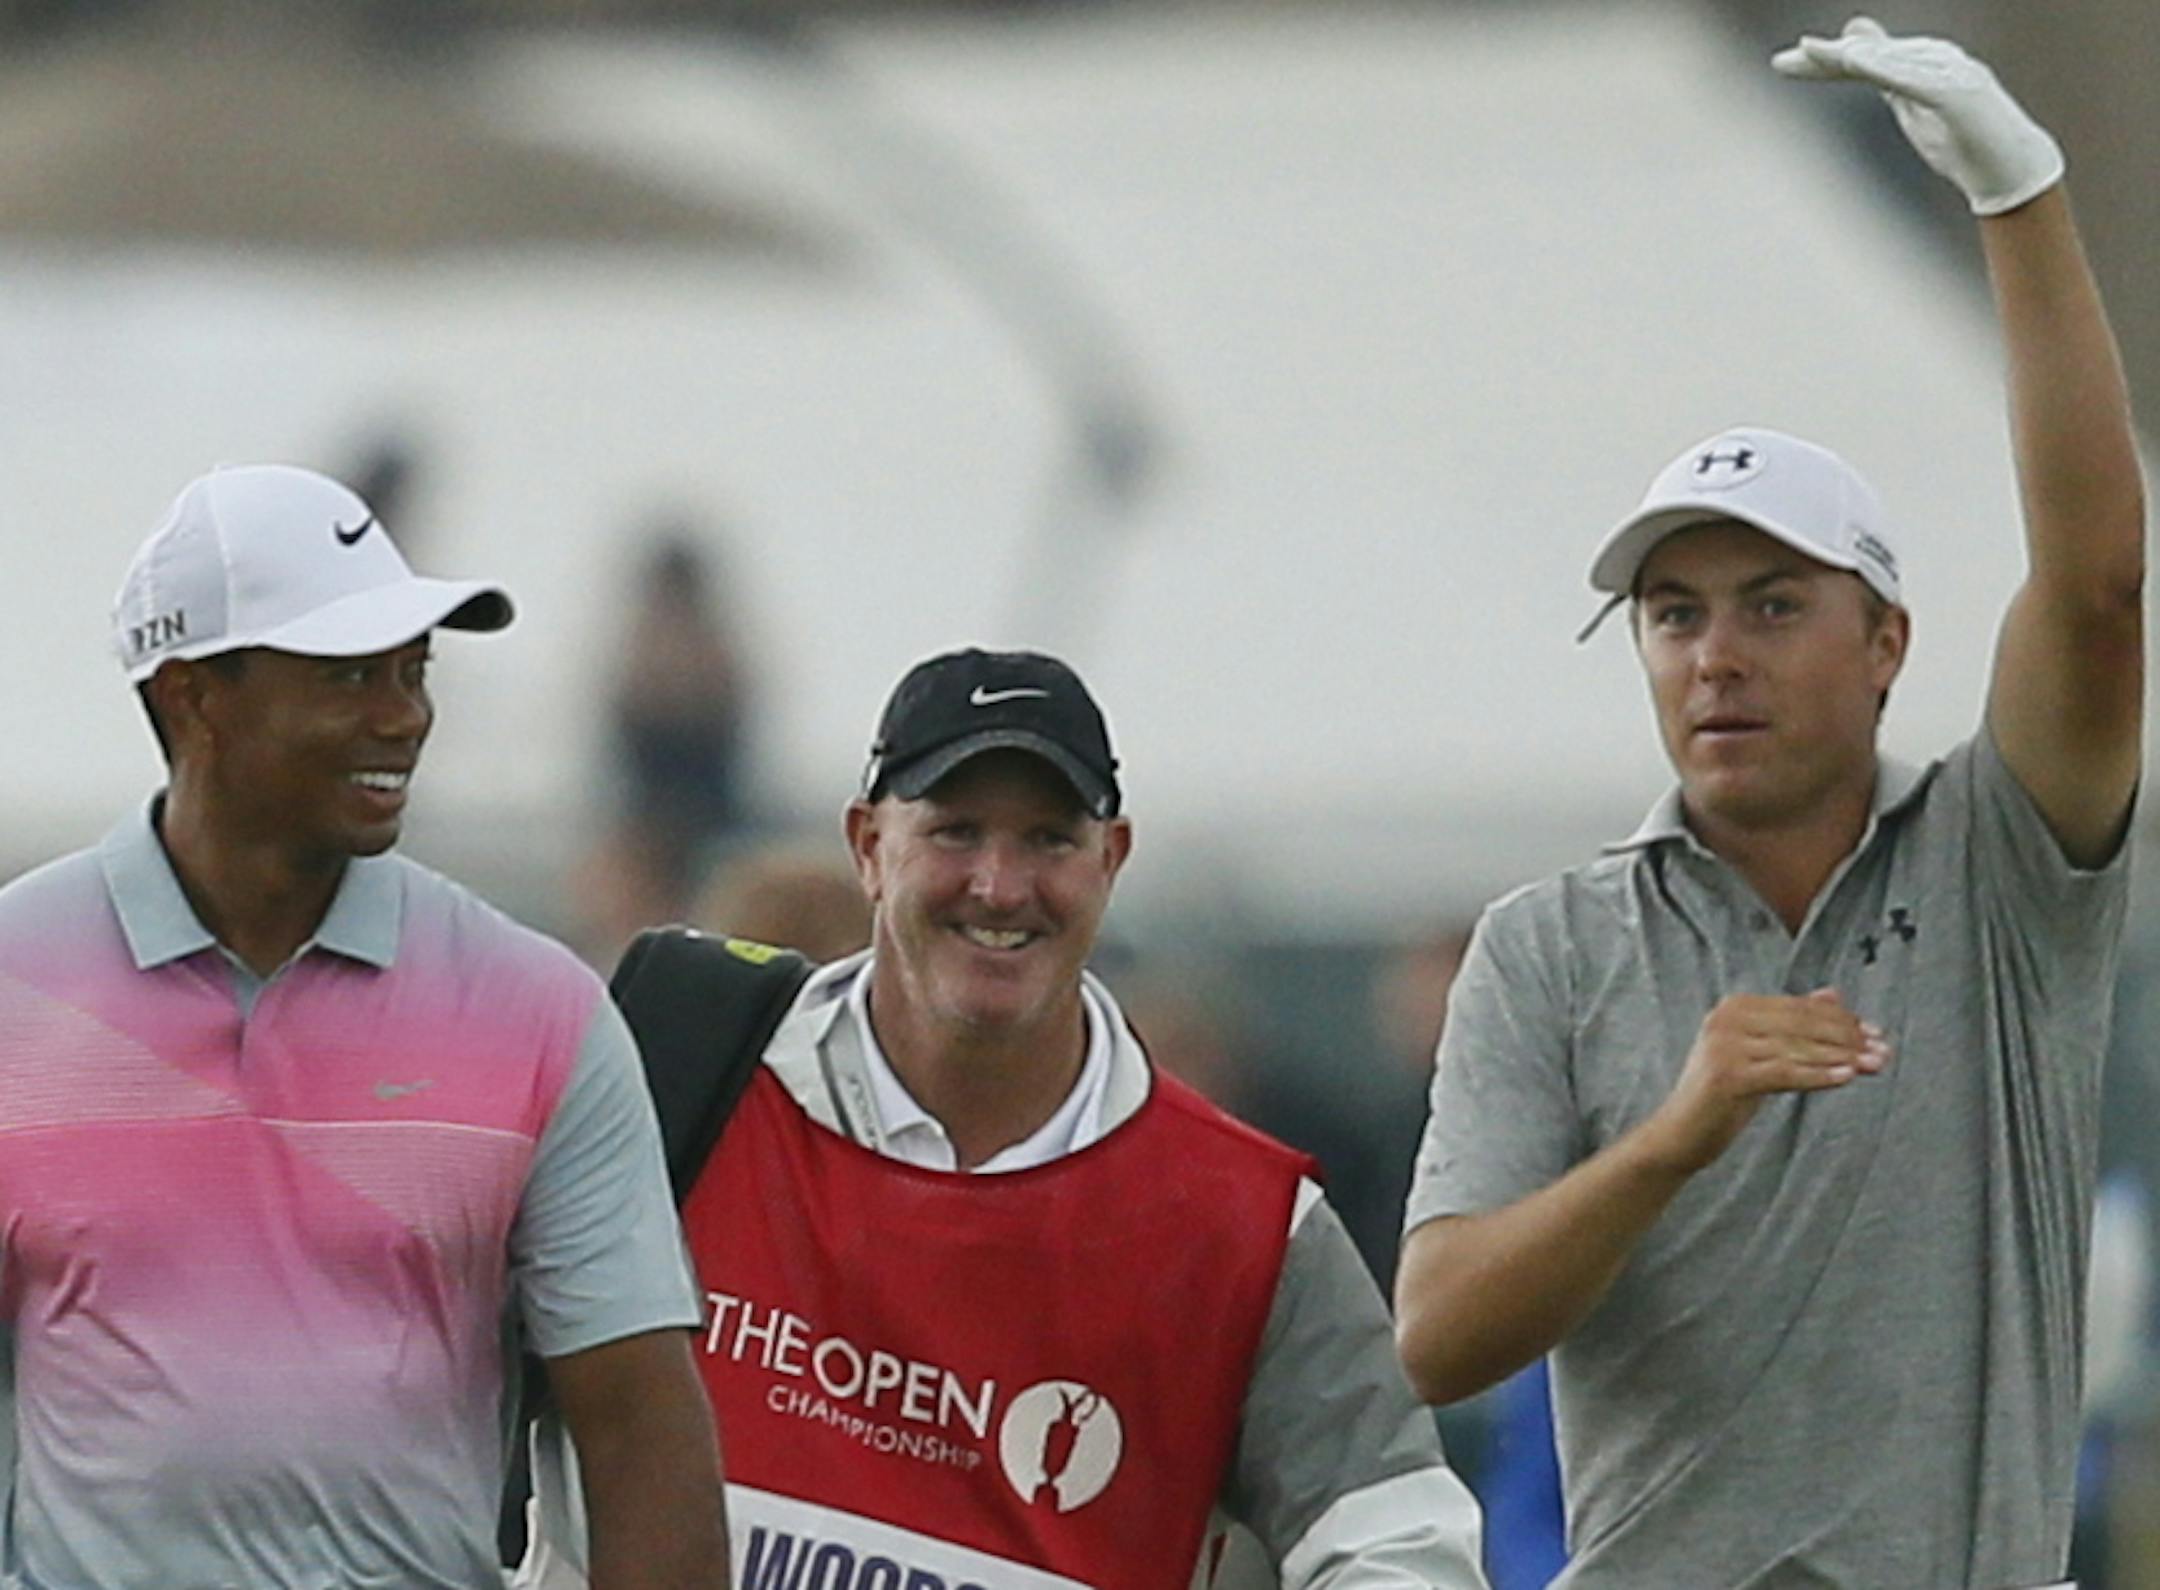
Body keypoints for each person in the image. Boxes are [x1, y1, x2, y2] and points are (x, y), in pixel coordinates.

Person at [1396, 19, 2143, 1589]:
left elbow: (2095, 586)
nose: (1715, 656)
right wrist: (1675, 1134)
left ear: (1887, 643)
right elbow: (1440, 1332)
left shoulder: (2000, 863)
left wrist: (2022, 200)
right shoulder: (1551, 943)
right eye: (1674, 613)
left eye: (1771, 604)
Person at [522, 647, 1488, 1588]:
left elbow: (1395, 1541)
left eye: (1049, 839)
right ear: (868, 846)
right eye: (955, 831)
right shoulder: (668, 1081)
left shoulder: (1245, 1223)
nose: (999, 884)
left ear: (1110, 860)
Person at [0, 464, 731, 1588]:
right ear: (193, 694)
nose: (406, 714)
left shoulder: (538, 1010)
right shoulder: (15, 982)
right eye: (349, 674)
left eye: (413, 668)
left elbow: (640, 1432)